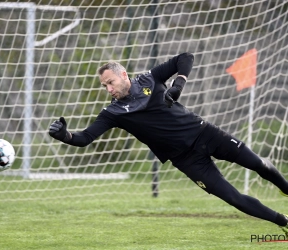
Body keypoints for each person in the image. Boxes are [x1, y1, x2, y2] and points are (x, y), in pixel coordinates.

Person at [49, 52, 288, 236]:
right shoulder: (113, 112)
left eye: (110, 82)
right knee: (232, 197)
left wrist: (178, 85)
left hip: (206, 134)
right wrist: (65, 135)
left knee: (259, 164)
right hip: (186, 160)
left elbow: (185, 58)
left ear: (123, 75)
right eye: (105, 86)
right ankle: (284, 222)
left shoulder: (149, 78)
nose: (109, 89)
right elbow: (84, 139)